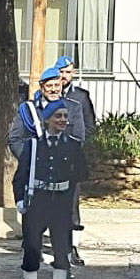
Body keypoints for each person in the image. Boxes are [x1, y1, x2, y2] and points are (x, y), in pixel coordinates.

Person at [13, 100, 87, 279]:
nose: (63, 120)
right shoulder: (33, 145)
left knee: (61, 247)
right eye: (58, 116)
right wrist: (20, 199)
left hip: (60, 202)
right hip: (37, 201)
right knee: (32, 247)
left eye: (65, 116)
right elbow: (20, 175)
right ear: (47, 120)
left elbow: (82, 172)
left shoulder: (72, 145)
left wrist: (67, 190)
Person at [56, 56, 97, 267]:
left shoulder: (80, 96)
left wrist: (74, 146)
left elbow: (90, 126)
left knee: (72, 205)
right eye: (61, 72)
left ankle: (72, 247)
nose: (64, 76)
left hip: (71, 159)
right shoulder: (47, 95)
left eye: (68, 72)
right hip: (50, 158)